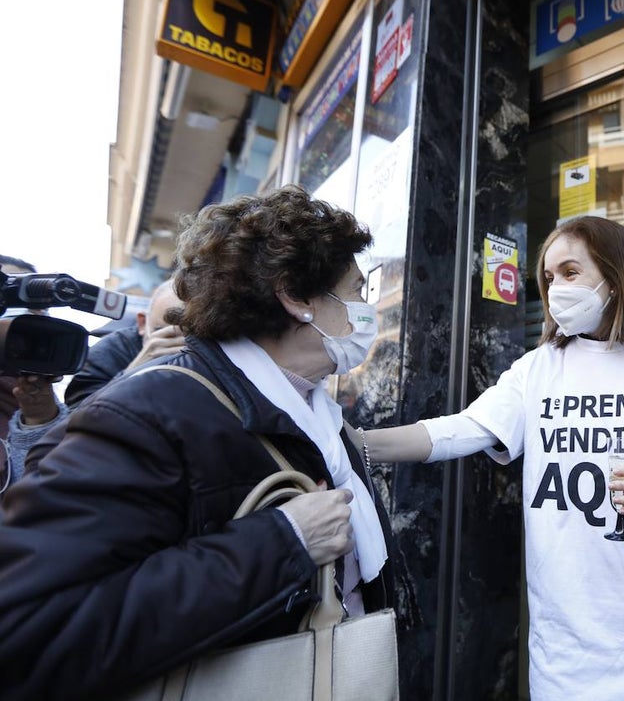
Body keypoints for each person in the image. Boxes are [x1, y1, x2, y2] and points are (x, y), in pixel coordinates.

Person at [0, 187, 396, 699]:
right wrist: (281, 542)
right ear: (296, 297)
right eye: (356, 290)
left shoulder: (314, 412)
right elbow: (29, 635)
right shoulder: (150, 415)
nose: (366, 310)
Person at [363, 215, 624, 700]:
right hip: (574, 639)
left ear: (615, 276)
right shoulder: (539, 368)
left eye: (571, 272)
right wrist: (358, 443)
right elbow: (463, 429)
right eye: (549, 279)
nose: (556, 290)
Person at [0, 255, 68, 489]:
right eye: (6, 304)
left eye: (34, 308)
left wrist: (39, 420)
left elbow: (41, 494)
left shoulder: (34, 395)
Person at [64, 278, 185, 406]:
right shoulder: (110, 353)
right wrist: (134, 373)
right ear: (143, 323)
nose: (179, 344)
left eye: (191, 337)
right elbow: (77, 416)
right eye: (166, 333)